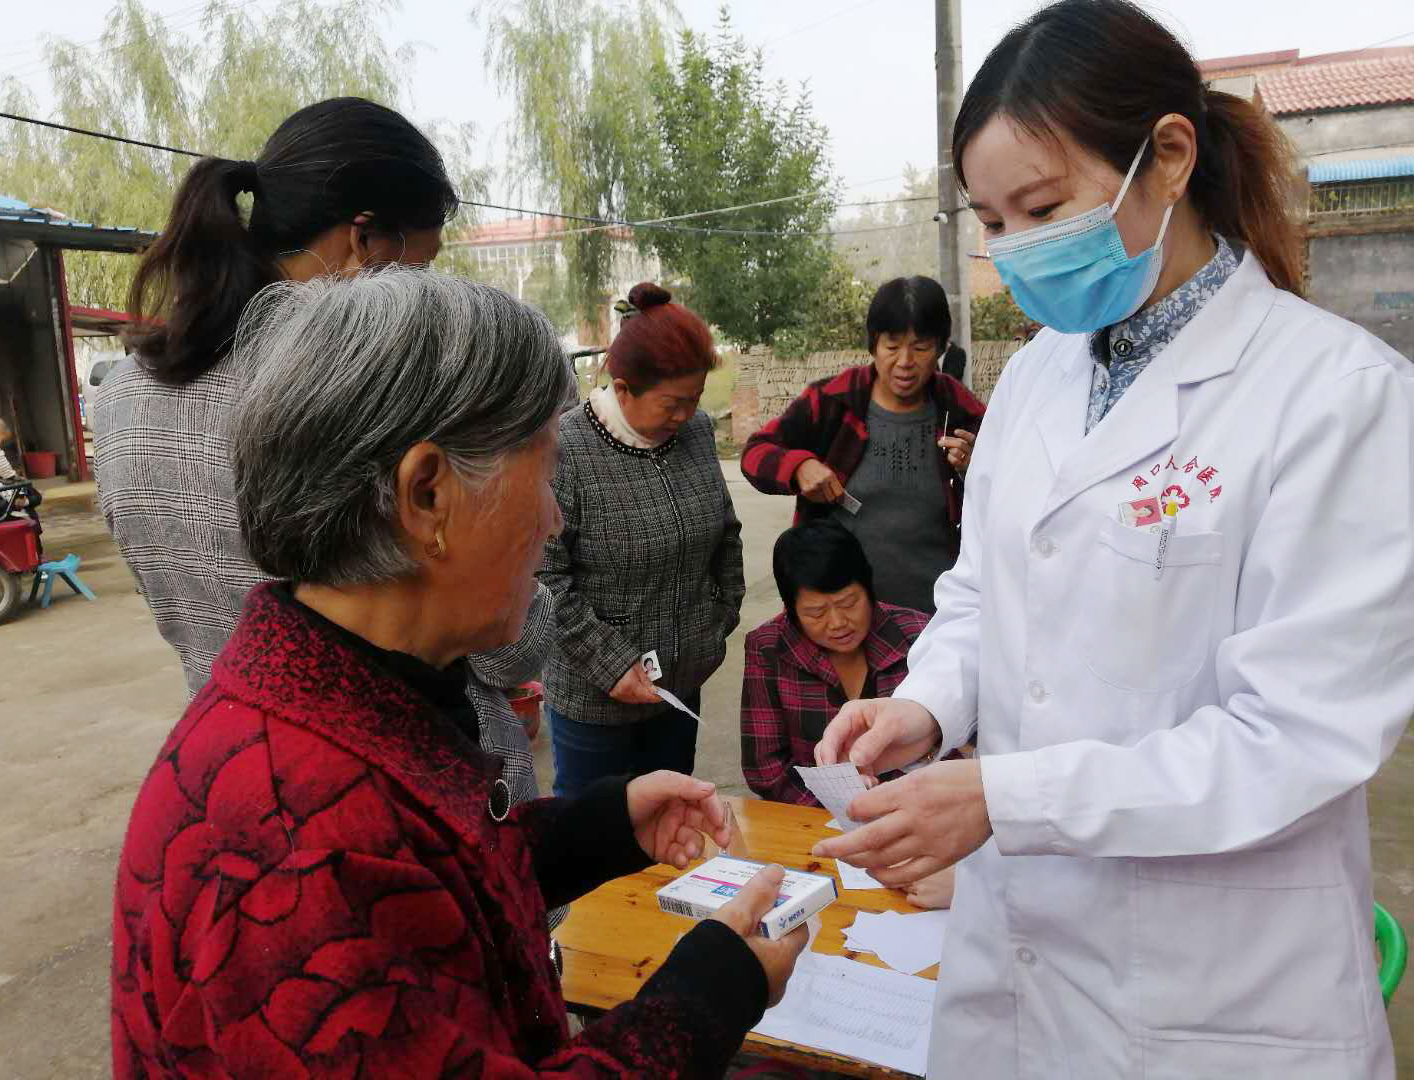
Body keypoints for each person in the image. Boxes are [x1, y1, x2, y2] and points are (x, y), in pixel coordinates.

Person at [810, 2, 1414, 1077]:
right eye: (993, 222)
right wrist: (928, 704)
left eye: (1042, 208)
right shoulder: (1038, 375)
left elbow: (1299, 736)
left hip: (1218, 988)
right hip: (1019, 962)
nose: (1016, 248)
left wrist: (1009, 798)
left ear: (1168, 157)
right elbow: (983, 593)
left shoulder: (1339, 397)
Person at [110, 269, 806, 1078]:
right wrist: (707, 996)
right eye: (543, 474)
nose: (552, 519)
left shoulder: (348, 696)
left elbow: (433, 876)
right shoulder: (296, 848)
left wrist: (596, 829)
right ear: (428, 495)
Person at [92, 97, 549, 827]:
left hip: (236, 773)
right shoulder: (377, 395)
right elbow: (503, 644)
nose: (421, 294)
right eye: (421, 265)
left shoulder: (120, 400)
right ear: (361, 241)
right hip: (419, 791)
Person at [539, 282, 744, 798]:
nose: (686, 416)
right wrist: (609, 665)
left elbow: (726, 531)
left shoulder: (695, 432)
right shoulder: (566, 450)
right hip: (593, 702)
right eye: (672, 404)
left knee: (671, 820)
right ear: (623, 389)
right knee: (593, 832)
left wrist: (718, 620)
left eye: (694, 400)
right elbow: (543, 578)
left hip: (679, 687)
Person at [741, 276, 987, 613]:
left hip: (940, 618)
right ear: (873, 345)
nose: (905, 361)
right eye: (891, 346)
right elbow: (755, 452)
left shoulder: (962, 412)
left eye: (920, 347)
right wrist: (798, 467)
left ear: (942, 348)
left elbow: (1015, 497)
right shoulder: (833, 401)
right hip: (839, 620)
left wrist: (976, 469)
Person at [740, 522, 951, 909]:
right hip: (817, 833)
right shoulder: (768, 647)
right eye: (816, 612)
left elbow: (956, 747)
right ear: (791, 610)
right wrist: (846, 817)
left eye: (849, 602)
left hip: (920, 833)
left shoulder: (920, 635)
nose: (837, 623)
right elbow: (765, 769)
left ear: (869, 588)